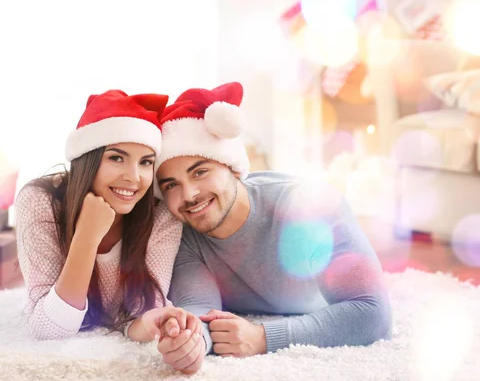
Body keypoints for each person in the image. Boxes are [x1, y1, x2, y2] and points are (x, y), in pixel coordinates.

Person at [153, 82, 393, 372]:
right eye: (171, 185)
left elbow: (371, 313)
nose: (189, 194)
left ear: (231, 166)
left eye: (200, 172)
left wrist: (263, 337)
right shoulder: (185, 233)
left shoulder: (307, 205)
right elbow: (199, 309)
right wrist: (191, 343)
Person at [15, 90, 201, 347]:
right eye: (116, 158)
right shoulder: (40, 201)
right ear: (87, 160)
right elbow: (50, 329)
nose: (134, 177)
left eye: (146, 163)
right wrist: (87, 236)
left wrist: (152, 323)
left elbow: (141, 313)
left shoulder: (160, 214)